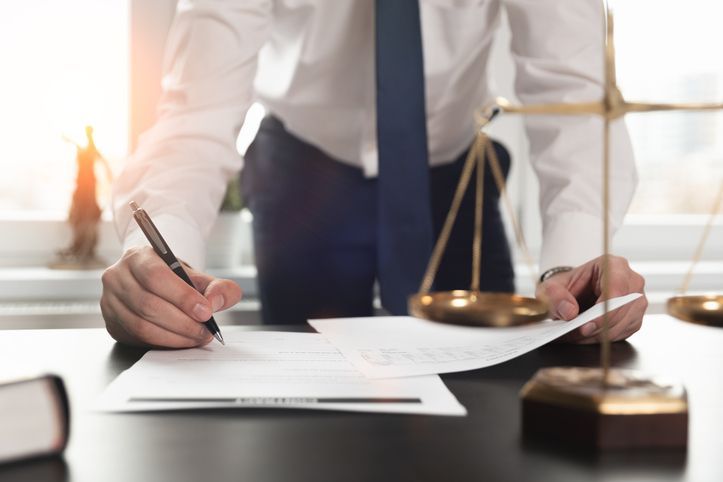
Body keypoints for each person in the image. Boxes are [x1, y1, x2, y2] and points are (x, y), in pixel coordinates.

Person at [101, 0, 647, 349]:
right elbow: (196, 116)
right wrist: (156, 254)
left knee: (486, 397)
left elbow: (573, 95)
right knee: (308, 424)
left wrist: (575, 262)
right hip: (305, 175)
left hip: (452, 174)